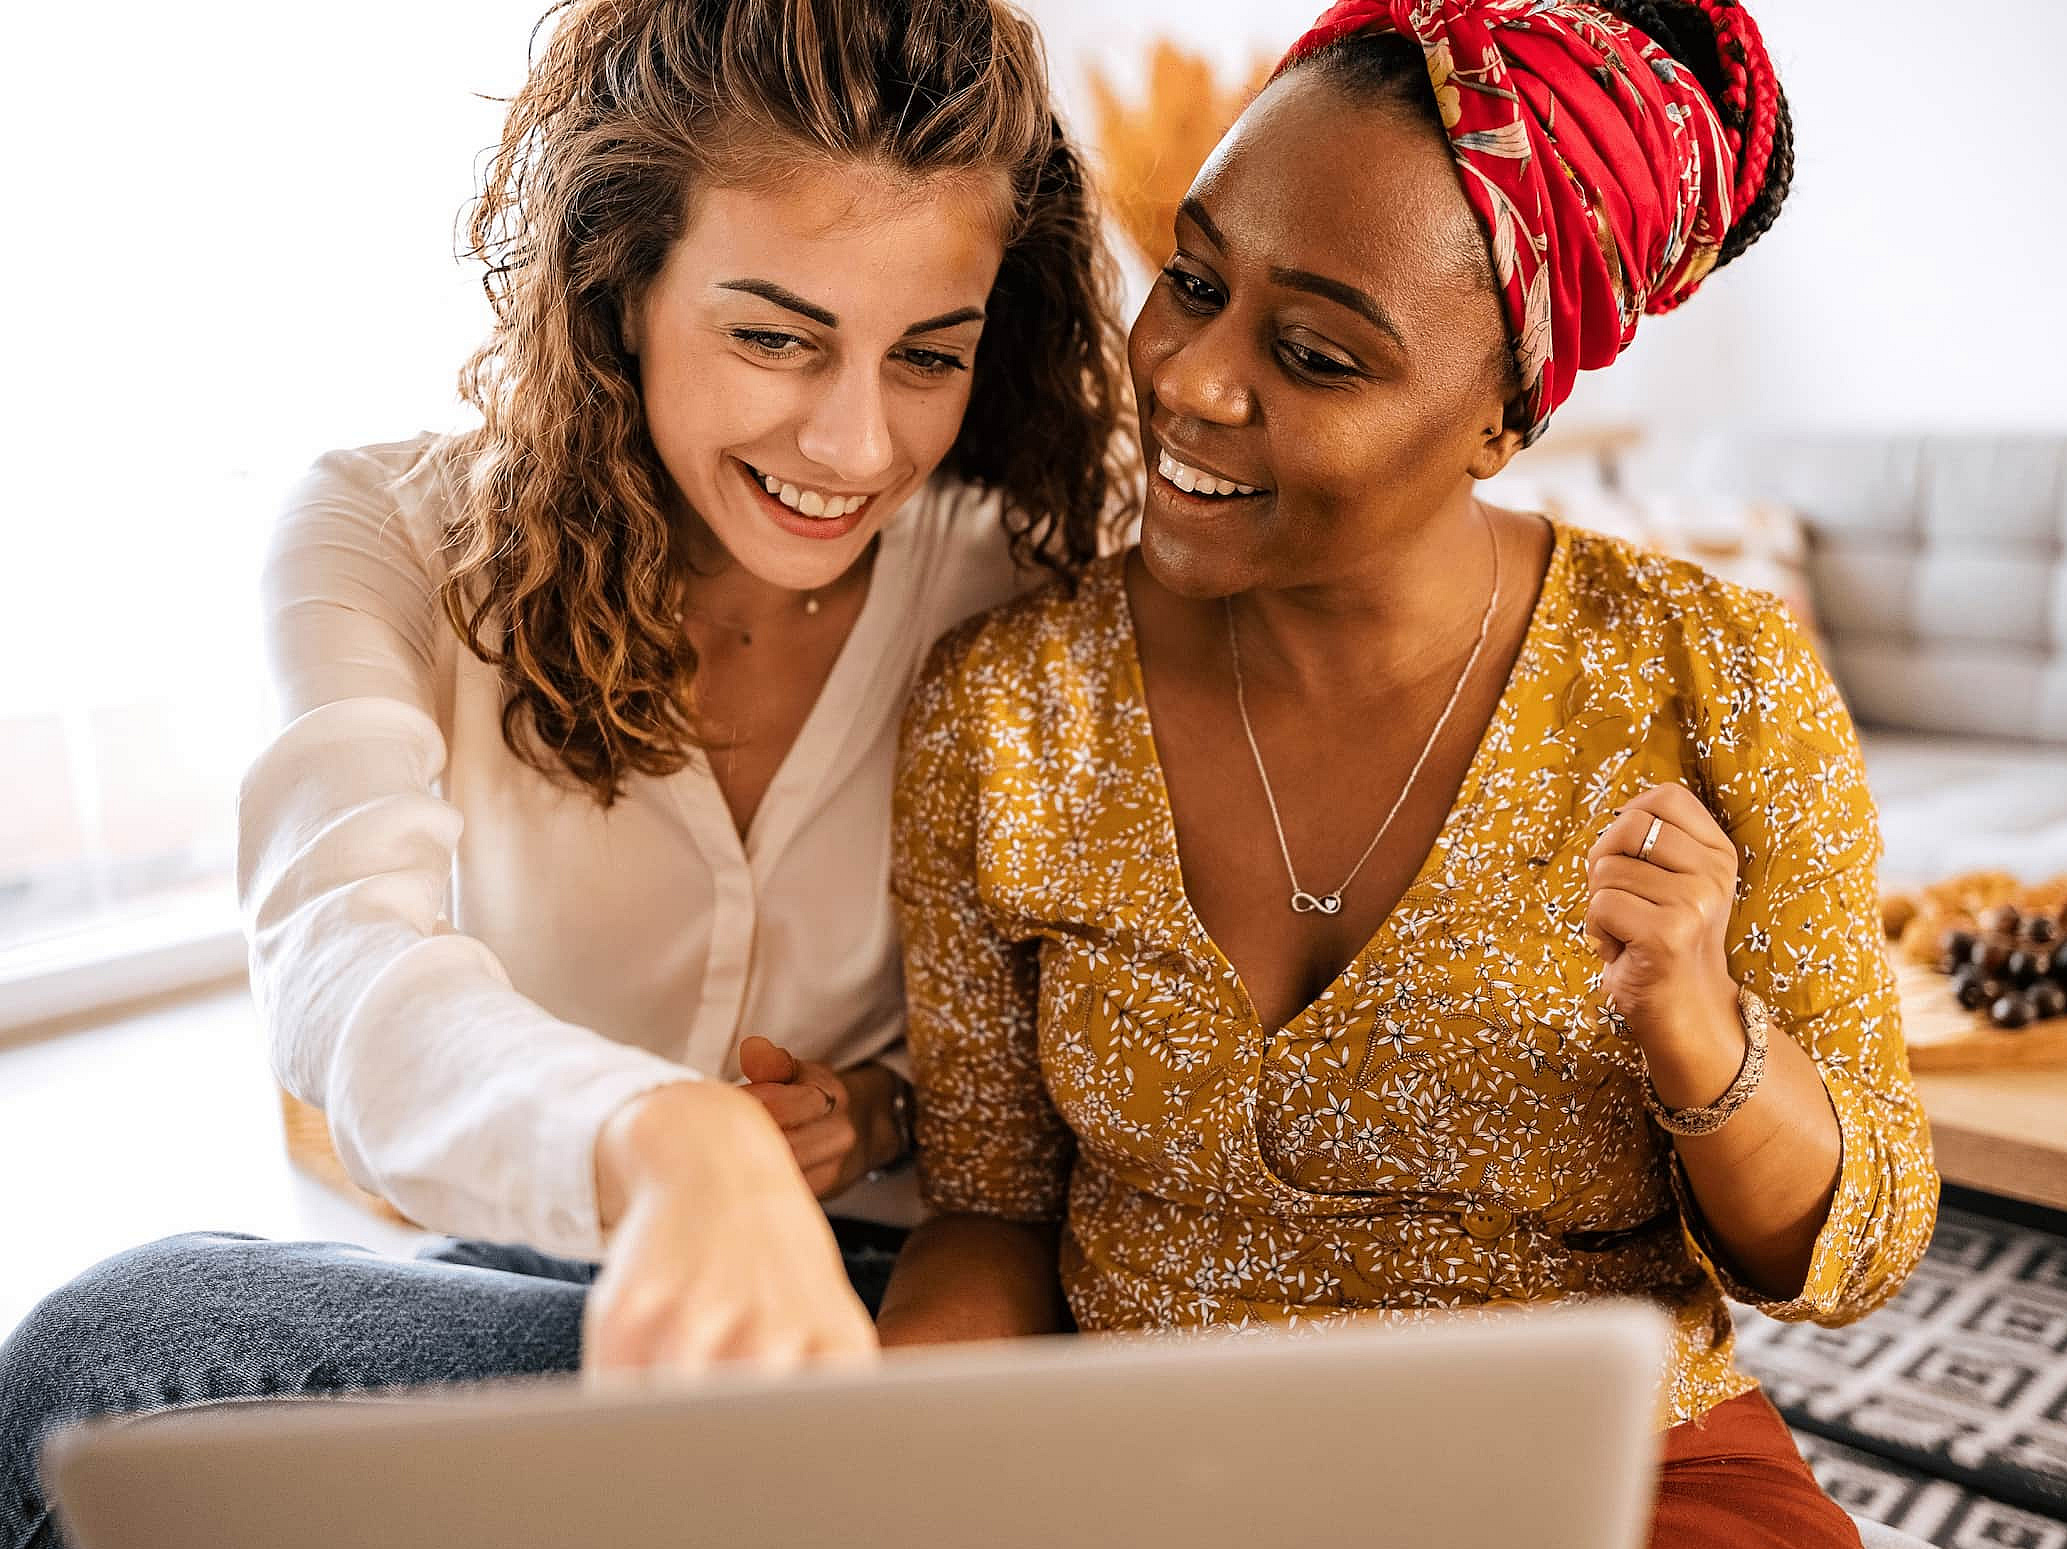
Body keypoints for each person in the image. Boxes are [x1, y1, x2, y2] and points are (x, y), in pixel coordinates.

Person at [0, 0, 1128, 1540]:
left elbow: (1110, 1039)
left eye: (927, 355)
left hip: (904, 1305)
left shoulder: (1027, 579)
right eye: (775, 336)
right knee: (101, 1358)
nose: (859, 444)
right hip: (536, 1295)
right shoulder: (379, 536)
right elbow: (347, 969)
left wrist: (881, 1111)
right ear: (617, 283)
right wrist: (672, 1143)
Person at [874, 2, 1937, 1545]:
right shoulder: (1008, 706)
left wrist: (1703, 1038)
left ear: (1505, 416)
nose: (1188, 379)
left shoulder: (1717, 681)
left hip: (1604, 1472)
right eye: (1190, 278)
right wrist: (890, 1456)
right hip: (1160, 1475)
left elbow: (1859, 1245)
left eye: (1313, 352)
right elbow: (989, 1211)